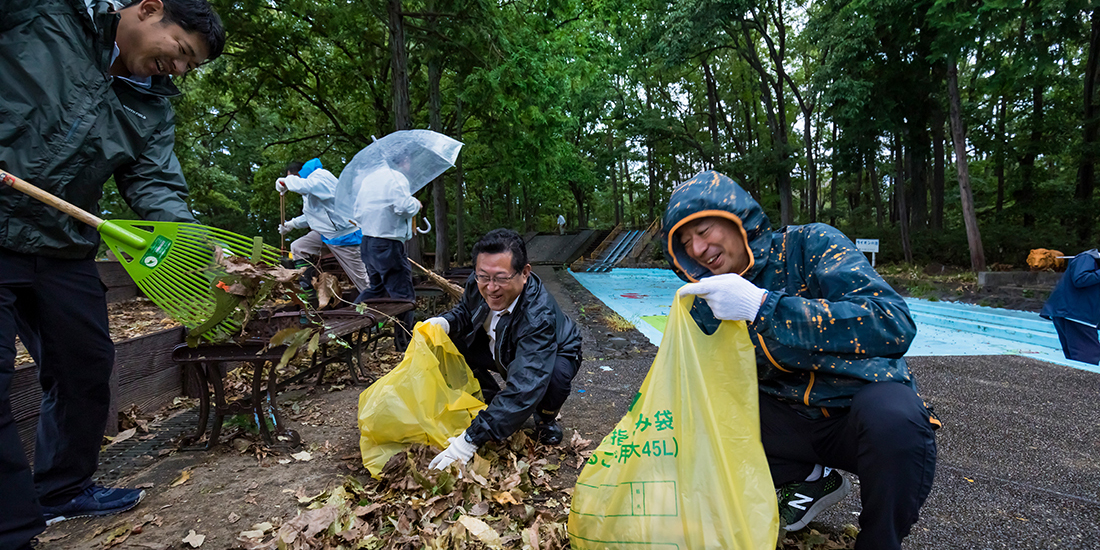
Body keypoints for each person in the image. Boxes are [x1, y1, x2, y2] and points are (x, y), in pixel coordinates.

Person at [0, 0, 224, 547]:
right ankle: (12, 528)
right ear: (150, 9)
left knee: (86, 364)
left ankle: (62, 489)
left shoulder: (150, 106)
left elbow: (156, 185)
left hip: (63, 244)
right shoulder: (46, 17)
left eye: (192, 67)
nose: (180, 70)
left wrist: (195, 249)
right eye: (182, 53)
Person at [663, 171, 938, 550]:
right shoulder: (708, 301)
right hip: (786, 423)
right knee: (688, 415)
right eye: (685, 242)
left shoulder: (810, 245)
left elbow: (893, 324)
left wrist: (762, 307)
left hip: (853, 416)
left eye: (704, 229)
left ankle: (879, 542)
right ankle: (808, 478)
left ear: (734, 217)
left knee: (896, 419)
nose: (696, 248)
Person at [427, 229, 582, 470]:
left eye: (501, 278)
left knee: (552, 379)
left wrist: (467, 443)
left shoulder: (538, 317)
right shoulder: (478, 282)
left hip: (553, 350)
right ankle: (490, 402)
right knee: (448, 342)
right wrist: (445, 322)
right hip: (498, 345)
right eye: (483, 277)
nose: (491, 288)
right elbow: (465, 313)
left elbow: (525, 384)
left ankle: (546, 418)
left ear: (525, 273)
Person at [351, 156, 420, 351]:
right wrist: (416, 204)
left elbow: (356, 214)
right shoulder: (396, 178)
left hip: (367, 241)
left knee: (377, 288)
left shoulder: (368, 180)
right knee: (403, 294)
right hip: (387, 242)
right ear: (404, 160)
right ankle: (405, 342)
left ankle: (348, 315)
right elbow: (403, 207)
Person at [276, 159, 370, 298]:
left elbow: (303, 186)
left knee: (362, 280)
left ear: (296, 174)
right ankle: (309, 291)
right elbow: (314, 215)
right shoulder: (311, 186)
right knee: (299, 247)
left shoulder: (320, 177)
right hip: (326, 233)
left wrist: (287, 181)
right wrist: (291, 224)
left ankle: (382, 306)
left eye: (292, 177)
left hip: (343, 236)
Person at [1040, 249, 1100, 364]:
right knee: (1087, 357)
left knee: (1078, 357)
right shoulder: (1087, 257)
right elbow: (1080, 279)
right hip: (1075, 314)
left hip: (1075, 314)